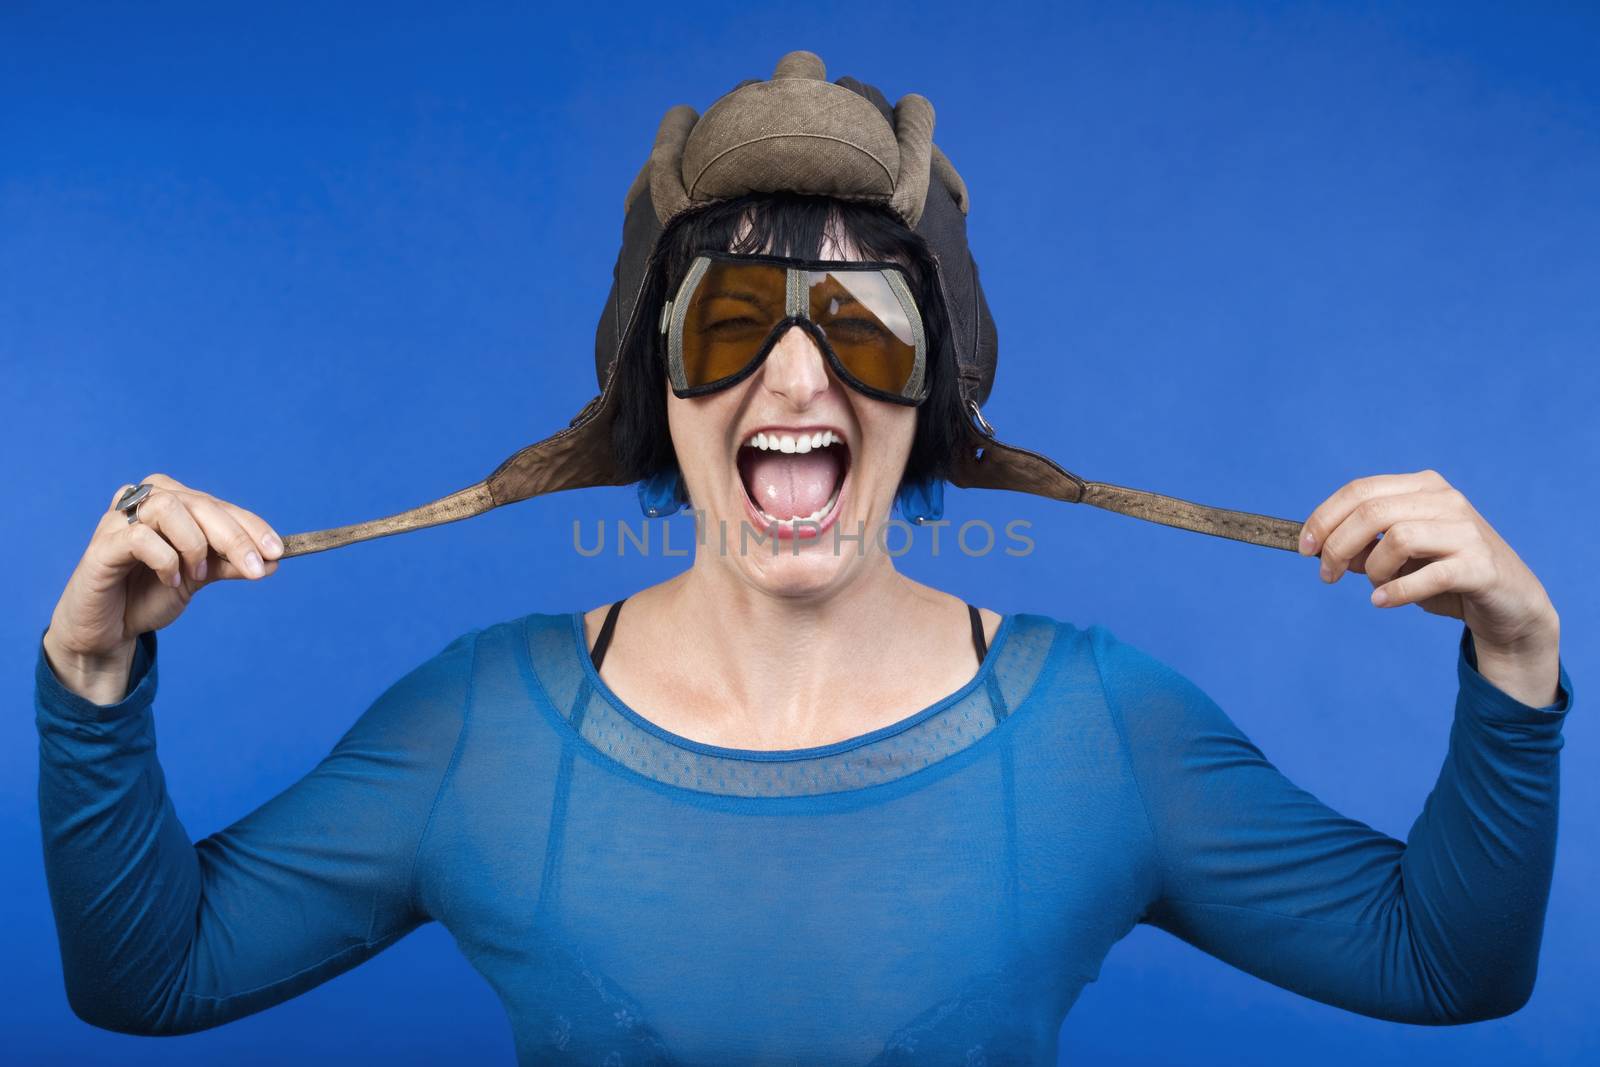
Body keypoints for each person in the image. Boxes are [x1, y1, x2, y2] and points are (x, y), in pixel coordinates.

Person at [36, 52, 1572, 1066]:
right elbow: (151, 975)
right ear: (658, 392)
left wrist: (1515, 666)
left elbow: (1441, 964)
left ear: (935, 387)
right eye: (729, 325)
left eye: (856, 328)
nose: (792, 385)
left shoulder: (1107, 728)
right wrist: (91, 680)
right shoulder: (478, 725)